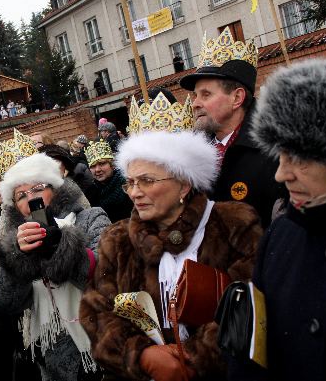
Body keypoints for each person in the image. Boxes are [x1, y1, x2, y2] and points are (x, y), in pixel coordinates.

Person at [79, 128, 262, 381]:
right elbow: (96, 310)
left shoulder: (233, 224)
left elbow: (250, 305)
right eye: (130, 182)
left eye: (147, 180)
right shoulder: (118, 239)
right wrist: (141, 356)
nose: (134, 192)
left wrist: (194, 359)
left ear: (184, 185)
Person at [228, 59, 326, 381]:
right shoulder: (279, 237)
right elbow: (249, 354)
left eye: (298, 158)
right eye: (280, 156)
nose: (282, 174)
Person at [0, 153, 111, 381]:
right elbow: (3, 302)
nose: (30, 199)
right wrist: (17, 258)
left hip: (101, 343)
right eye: (21, 196)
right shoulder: (15, 241)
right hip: (50, 356)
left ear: (56, 190)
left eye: (37, 189)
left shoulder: (92, 218)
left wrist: (60, 244)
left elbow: (106, 279)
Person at [179, 26, 282, 227]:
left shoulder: (274, 150)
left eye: (206, 94)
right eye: (195, 95)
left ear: (237, 98)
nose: (195, 103)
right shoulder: (189, 154)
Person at [84, 140, 133, 222]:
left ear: (112, 165)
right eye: (93, 166)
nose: (97, 170)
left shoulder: (127, 185)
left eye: (102, 164)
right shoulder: (90, 191)